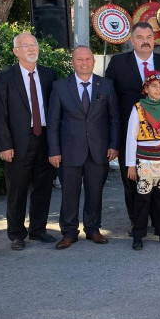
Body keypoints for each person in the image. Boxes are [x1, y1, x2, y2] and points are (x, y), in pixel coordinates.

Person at [105, 22, 160, 228]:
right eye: (140, 37)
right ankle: (137, 222)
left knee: (158, 180)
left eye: (149, 37)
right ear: (132, 40)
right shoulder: (118, 63)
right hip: (129, 135)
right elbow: (109, 102)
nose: (145, 41)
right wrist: (112, 139)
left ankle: (159, 220)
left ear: (153, 40)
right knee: (132, 179)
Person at [47, 46, 120, 249]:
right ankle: (69, 232)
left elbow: (114, 118)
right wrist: (54, 150)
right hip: (69, 152)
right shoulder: (60, 87)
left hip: (99, 151)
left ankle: (93, 229)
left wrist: (114, 145)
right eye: (80, 59)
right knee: (69, 193)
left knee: (95, 192)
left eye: (88, 59)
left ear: (93, 61)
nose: (84, 62)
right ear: (73, 62)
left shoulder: (106, 85)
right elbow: (53, 121)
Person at [0, 32, 58, 250]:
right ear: (16, 51)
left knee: (43, 186)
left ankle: (38, 230)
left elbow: (56, 111)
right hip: (18, 141)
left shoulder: (50, 75)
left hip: (45, 139)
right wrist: (5, 145)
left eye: (34, 44)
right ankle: (16, 234)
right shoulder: (4, 77)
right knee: (17, 189)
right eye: (25, 45)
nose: (31, 49)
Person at [125, 71, 160, 250]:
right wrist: (131, 165)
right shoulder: (138, 108)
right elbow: (131, 137)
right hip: (145, 160)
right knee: (142, 199)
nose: (157, 90)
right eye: (153, 86)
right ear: (146, 88)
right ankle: (138, 234)